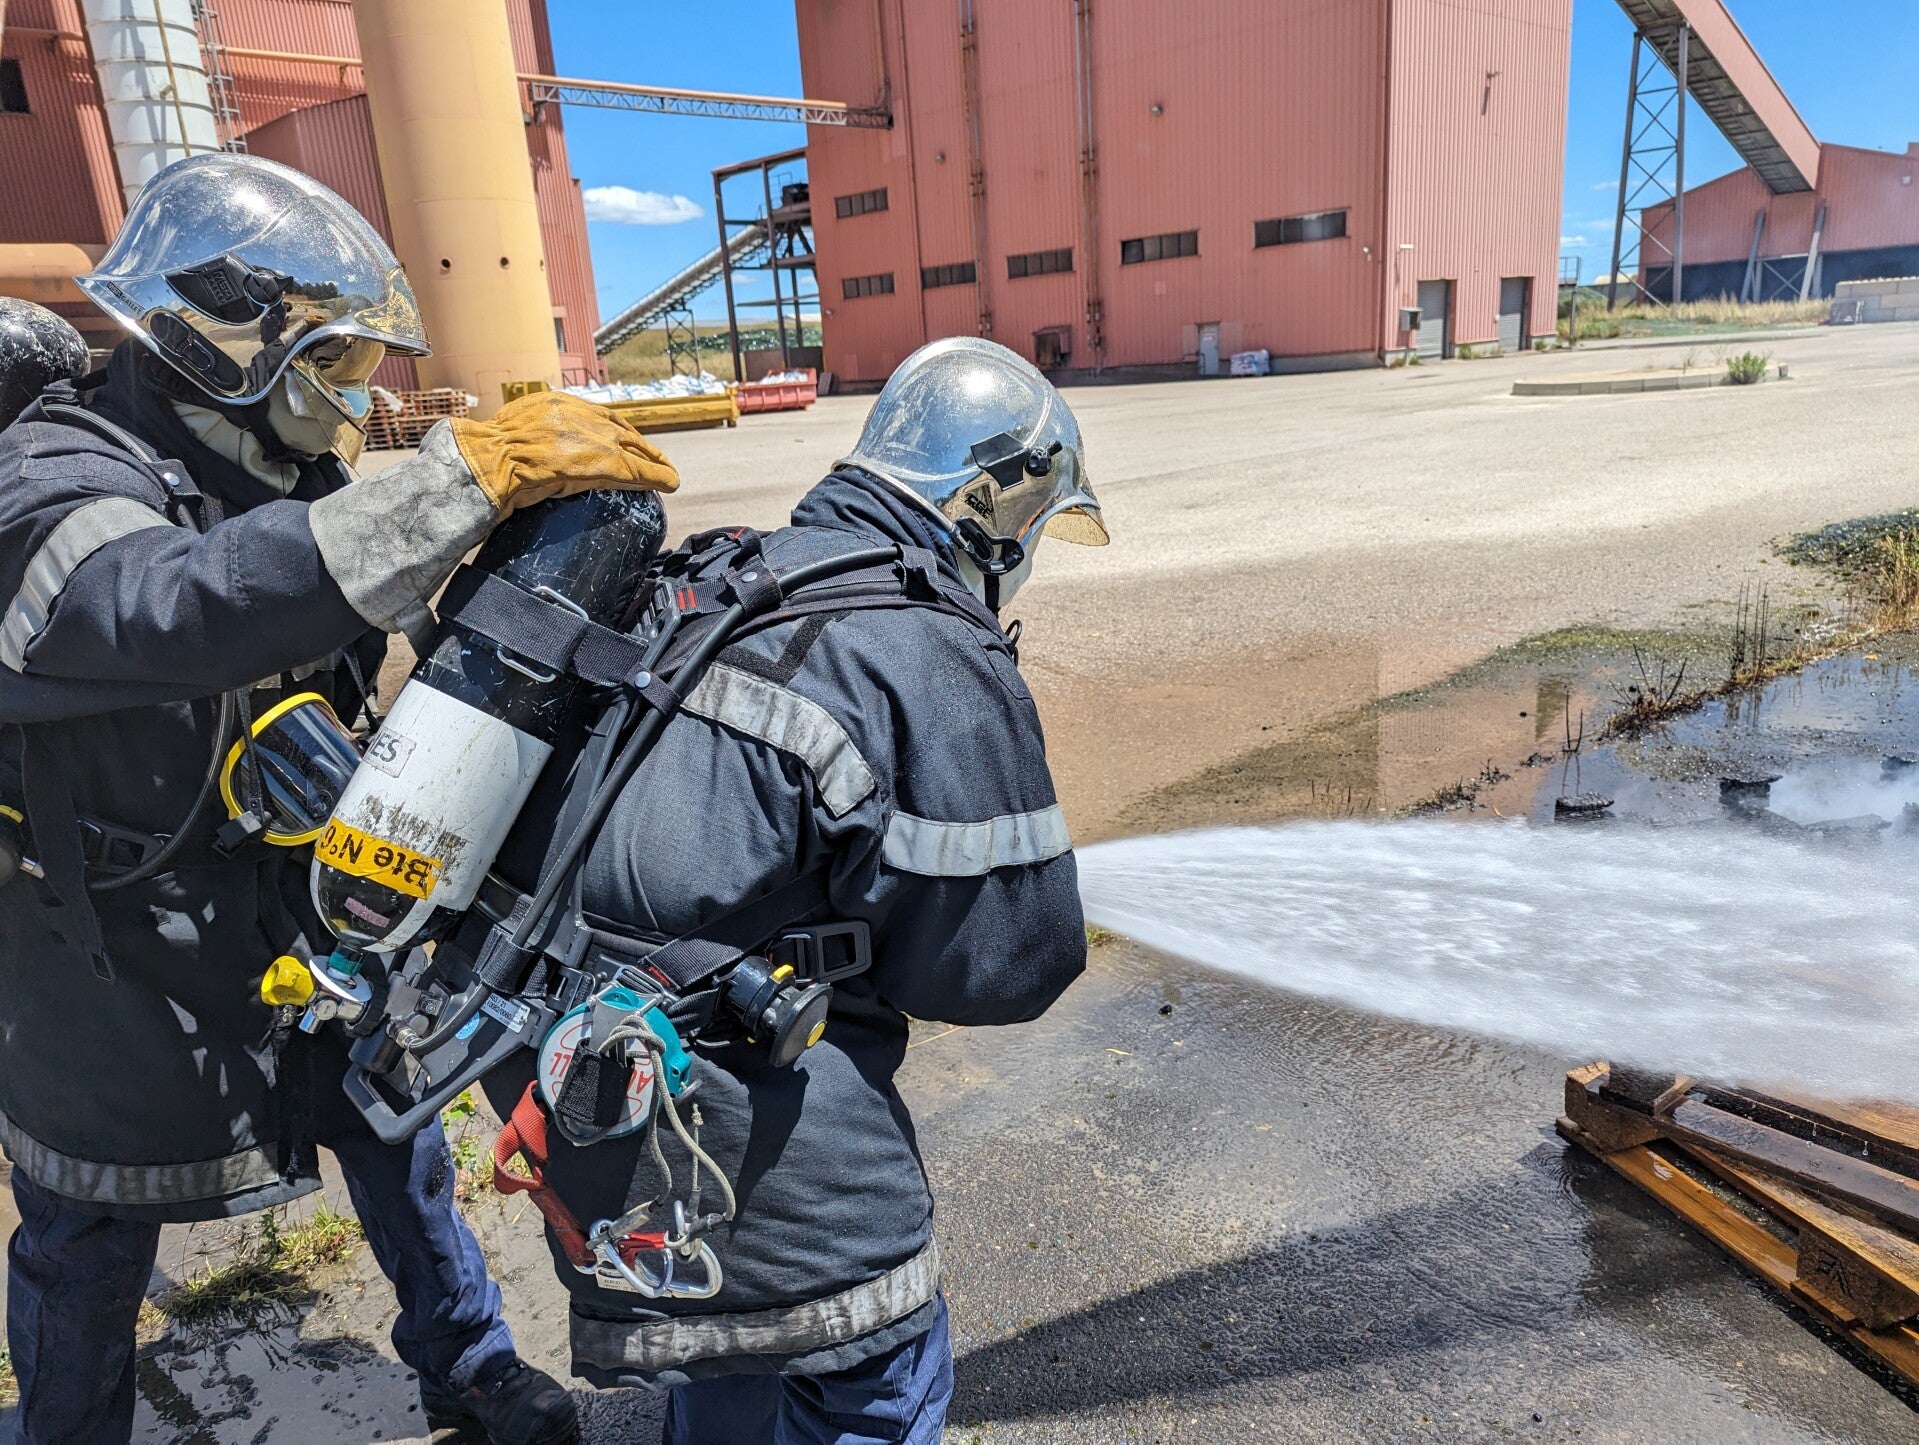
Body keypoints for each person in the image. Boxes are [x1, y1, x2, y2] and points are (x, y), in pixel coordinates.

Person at [0, 153, 677, 1445]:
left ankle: (467, 1361)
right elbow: (175, 606)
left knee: (392, 1131)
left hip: (291, 908)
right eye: (338, 365)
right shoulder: (47, 475)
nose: (358, 398)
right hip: (110, 955)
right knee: (85, 1231)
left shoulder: (279, 474)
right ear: (230, 350)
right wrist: (457, 479)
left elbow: (369, 624)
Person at [483, 336, 1105, 1443]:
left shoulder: (712, 582)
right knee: (873, 1376)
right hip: (755, 1147)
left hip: (583, 1092)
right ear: (988, 508)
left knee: (719, 1360)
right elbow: (1002, 967)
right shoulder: (925, 650)